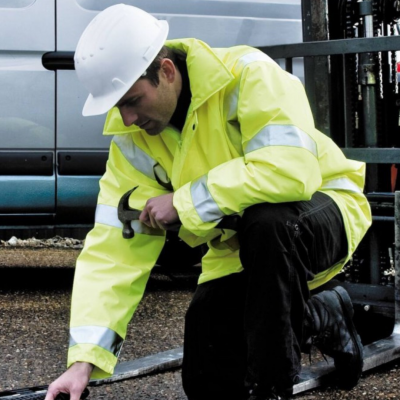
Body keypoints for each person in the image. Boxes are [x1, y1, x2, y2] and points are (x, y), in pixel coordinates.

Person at [45, 4, 372, 400]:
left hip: (323, 211)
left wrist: (183, 203)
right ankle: (323, 313)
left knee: (269, 224)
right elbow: (113, 250)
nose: (127, 119)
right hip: (238, 249)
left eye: (132, 100)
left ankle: (273, 387)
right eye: (118, 107)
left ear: (166, 71)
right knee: (206, 378)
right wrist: (81, 364)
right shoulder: (133, 144)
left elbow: (291, 172)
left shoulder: (250, 74)